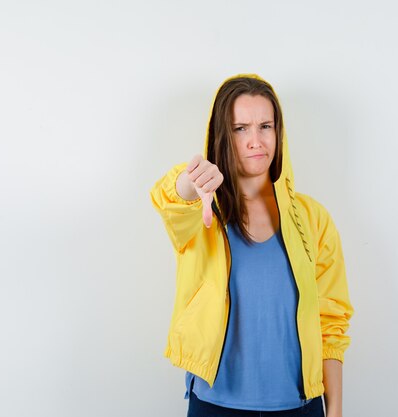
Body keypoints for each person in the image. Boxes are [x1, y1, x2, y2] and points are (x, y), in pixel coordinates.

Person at [150, 74, 354, 417]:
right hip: (215, 405)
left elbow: (331, 320)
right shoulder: (203, 212)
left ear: (279, 132)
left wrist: (334, 410)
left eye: (265, 126)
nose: (255, 141)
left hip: (300, 407)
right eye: (240, 128)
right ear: (223, 136)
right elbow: (169, 200)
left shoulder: (313, 219)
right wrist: (190, 182)